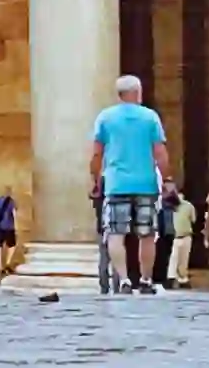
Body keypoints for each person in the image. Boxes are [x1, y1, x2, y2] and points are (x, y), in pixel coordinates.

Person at [88, 72, 169, 292]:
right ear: (137, 93)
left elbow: (97, 154)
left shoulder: (105, 118)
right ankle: (145, 279)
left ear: (119, 95)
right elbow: (160, 152)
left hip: (116, 184)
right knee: (147, 233)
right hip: (146, 183)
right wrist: (168, 179)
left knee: (115, 233)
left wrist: (96, 179)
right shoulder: (150, 117)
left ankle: (123, 279)